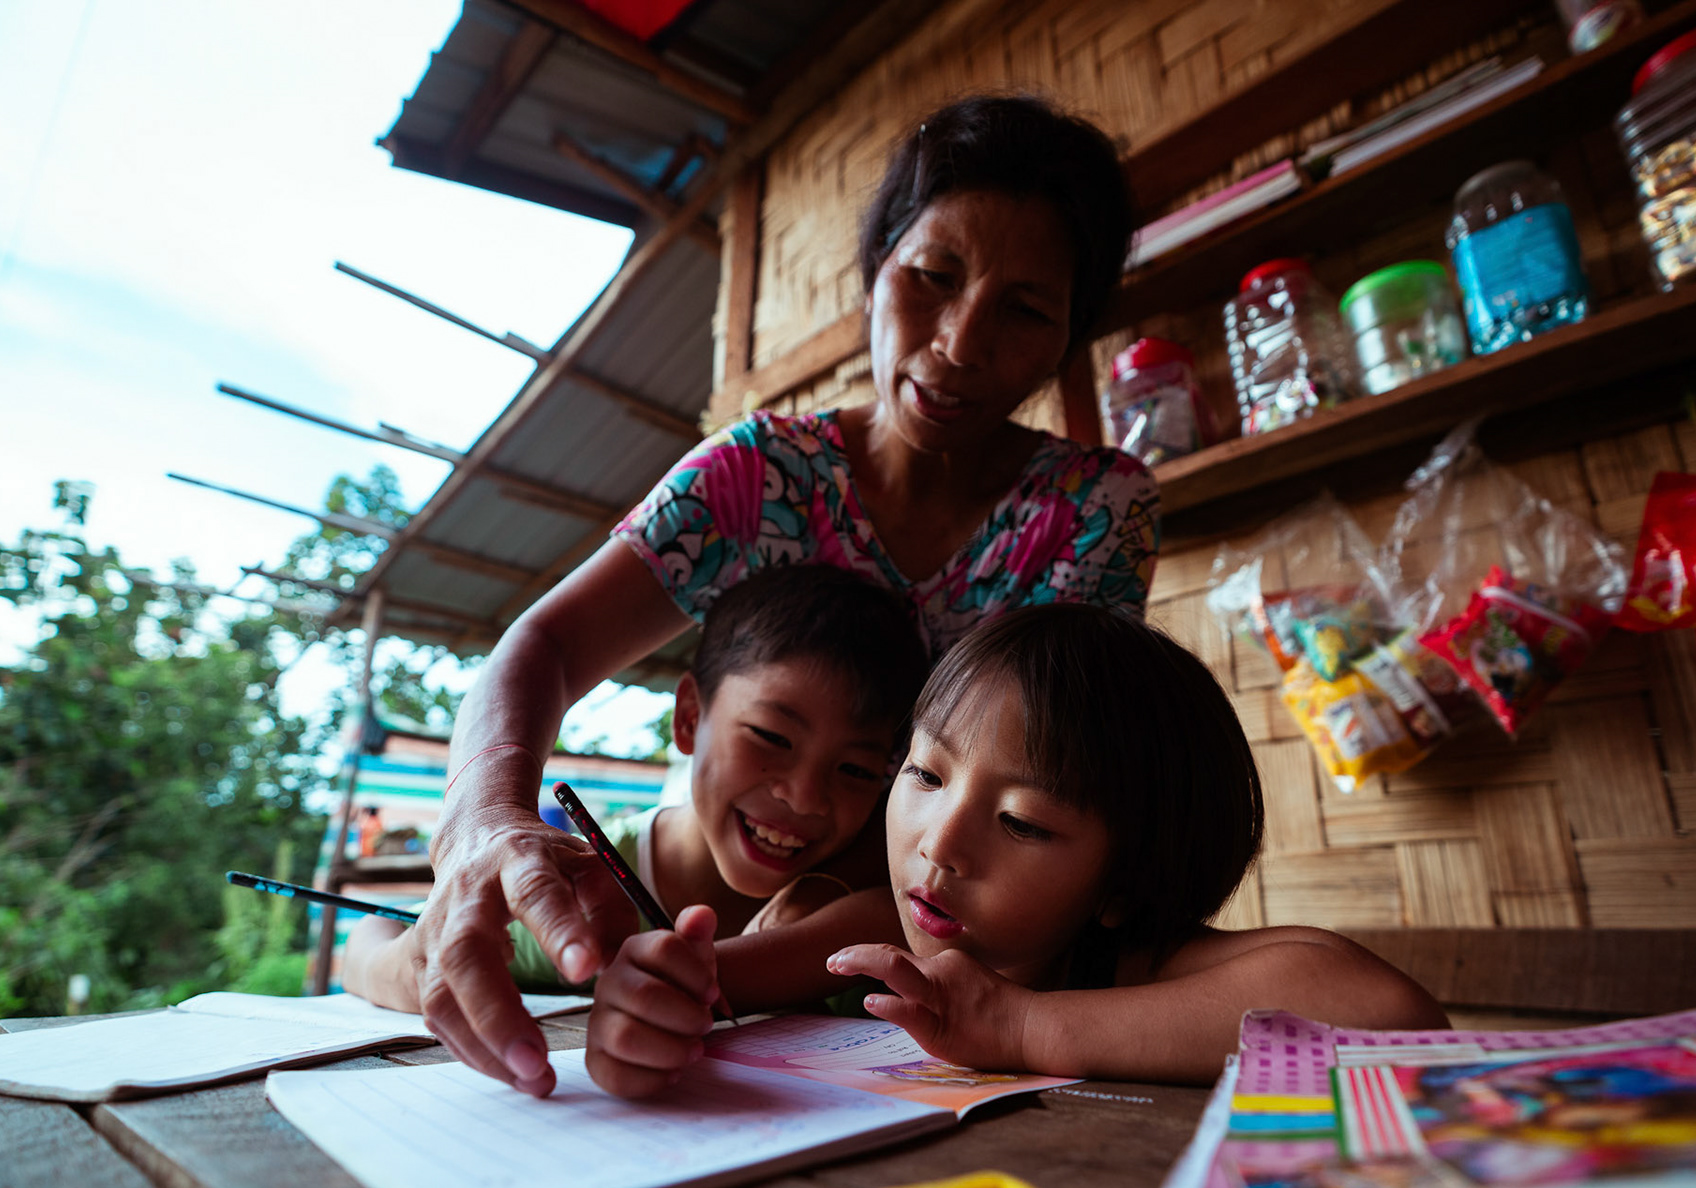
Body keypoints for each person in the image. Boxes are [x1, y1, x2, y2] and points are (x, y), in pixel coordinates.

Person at [419, 94, 1158, 1095]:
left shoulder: (1093, 512)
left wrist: (704, 972)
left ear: (1069, 336)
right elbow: (542, 647)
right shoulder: (756, 475)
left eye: (1024, 311)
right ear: (875, 274)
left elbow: (1043, 803)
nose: (959, 345)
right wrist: (484, 819)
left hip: (949, 966)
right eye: (931, 279)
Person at [584, 605, 1446, 1096]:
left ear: (1122, 881)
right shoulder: (867, 931)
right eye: (924, 773)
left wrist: (1022, 1023)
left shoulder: (1126, 962)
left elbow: (1386, 1011)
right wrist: (645, 1005)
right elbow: (703, 981)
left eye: (1024, 821)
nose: (941, 842)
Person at [340, 566, 928, 1011]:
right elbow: (375, 933)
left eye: (854, 770)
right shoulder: (581, 891)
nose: (804, 797)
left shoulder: (882, 906)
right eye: (771, 737)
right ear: (690, 718)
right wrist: (414, 970)